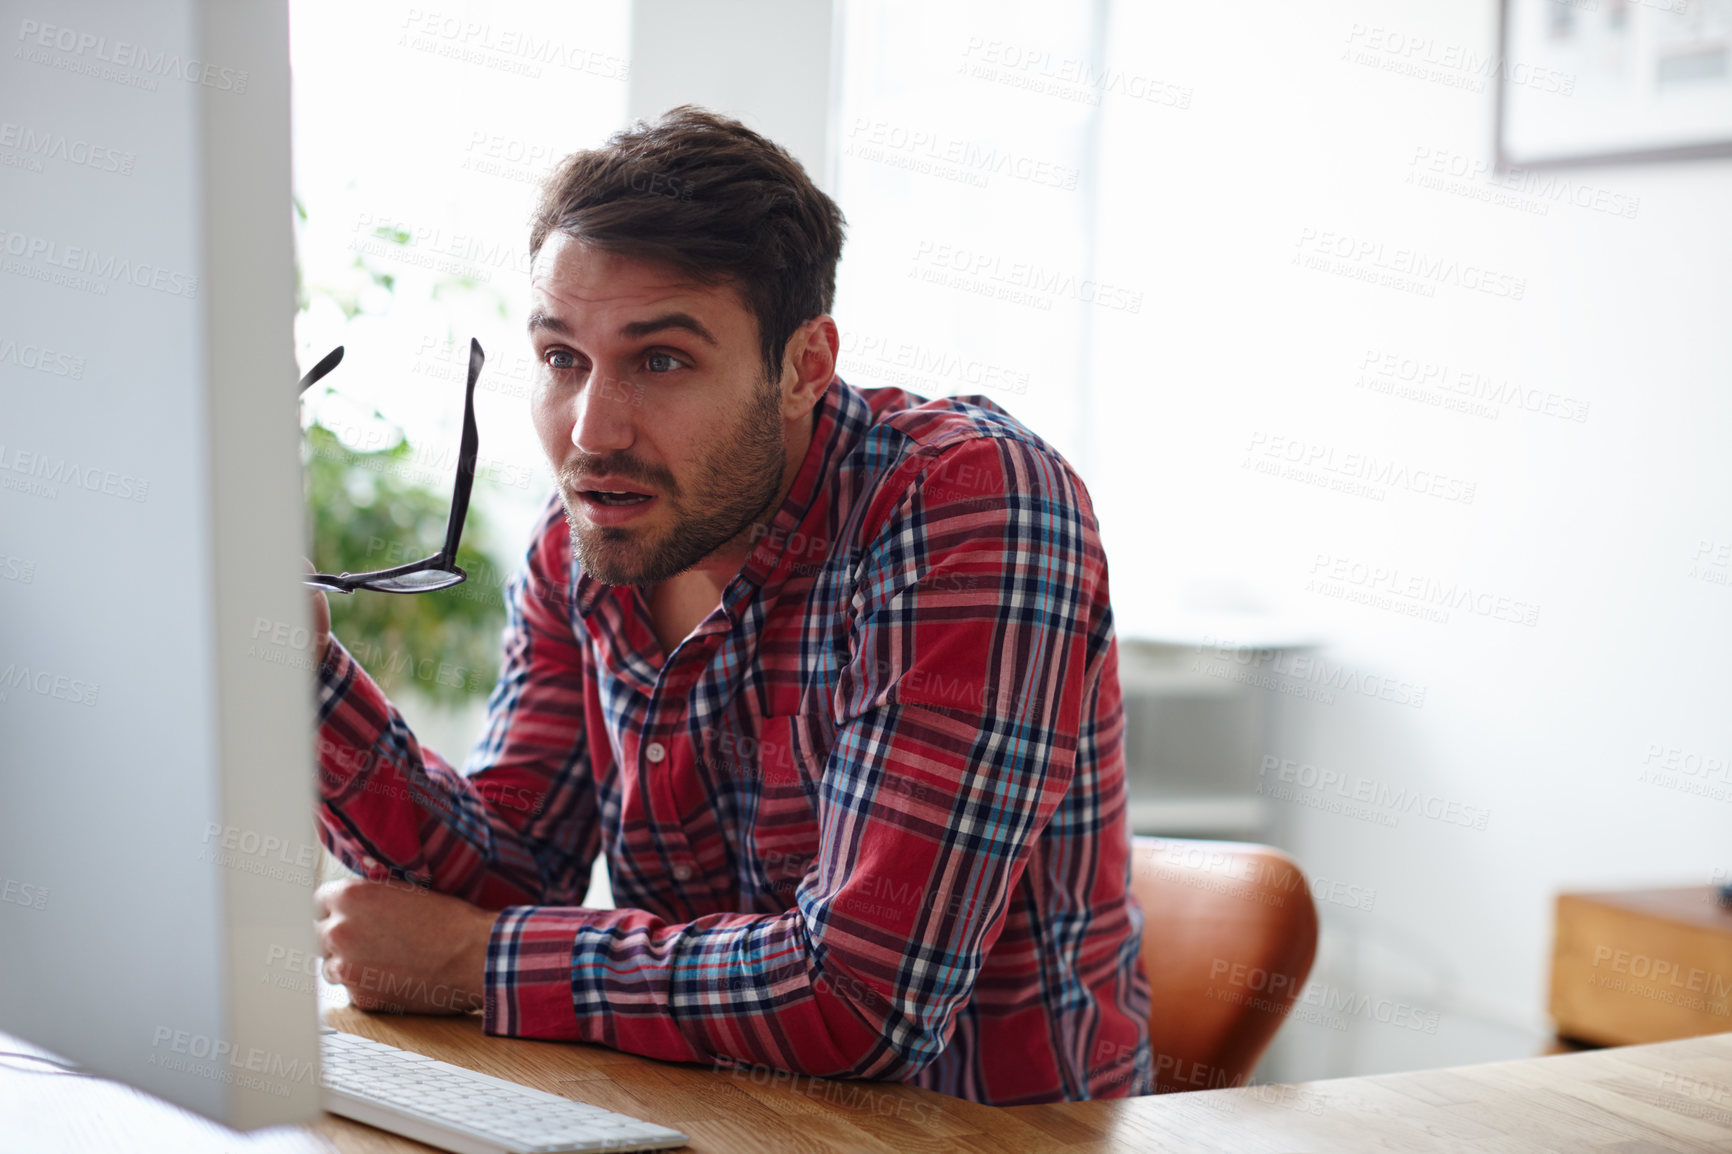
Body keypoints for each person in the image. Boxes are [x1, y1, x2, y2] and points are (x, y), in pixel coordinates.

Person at [309, 105, 1152, 1105]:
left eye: (660, 360)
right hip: (704, 1117)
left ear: (803, 366)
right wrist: (302, 676)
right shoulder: (586, 537)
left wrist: (478, 962)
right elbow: (504, 874)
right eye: (562, 358)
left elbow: (860, 994)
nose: (592, 428)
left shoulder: (972, 509)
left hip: (981, 1136)